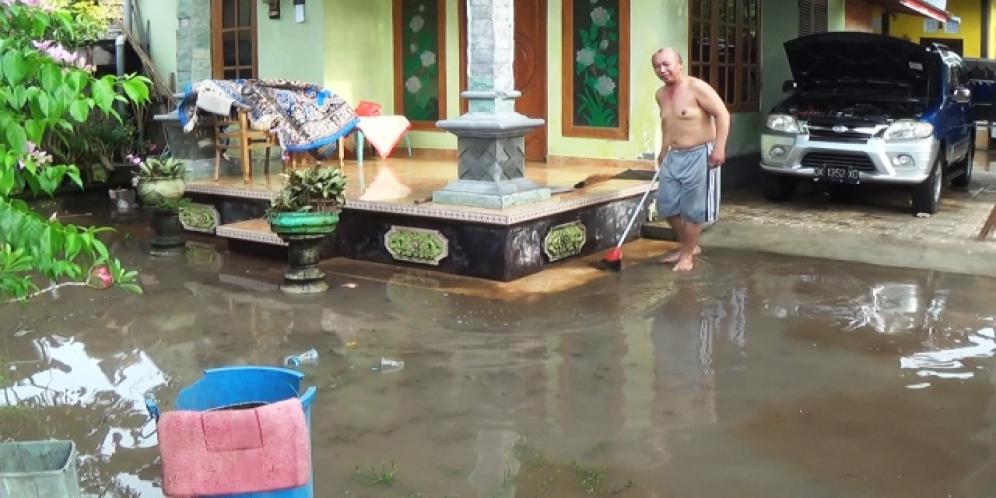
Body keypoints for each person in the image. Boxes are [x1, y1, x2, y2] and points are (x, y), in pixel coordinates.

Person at [652, 48, 730, 272]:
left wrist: (719, 147)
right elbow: (667, 124)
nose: (662, 70)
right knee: (666, 205)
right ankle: (689, 246)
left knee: (693, 210)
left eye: (666, 64)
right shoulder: (660, 94)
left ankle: (686, 256)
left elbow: (722, 114)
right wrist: (663, 151)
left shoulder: (696, 87)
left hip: (700, 154)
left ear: (680, 63)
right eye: (657, 66)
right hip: (674, 155)